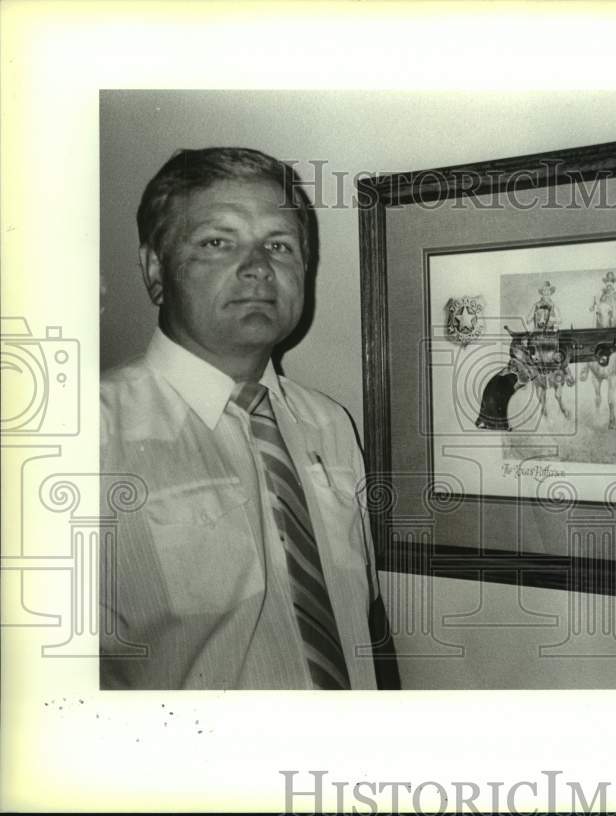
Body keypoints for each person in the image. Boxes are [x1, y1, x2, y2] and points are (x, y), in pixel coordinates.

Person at [100, 147, 399, 690]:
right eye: (218, 241)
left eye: (279, 245)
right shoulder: (83, 435)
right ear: (155, 270)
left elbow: (369, 622)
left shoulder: (331, 425)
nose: (259, 266)